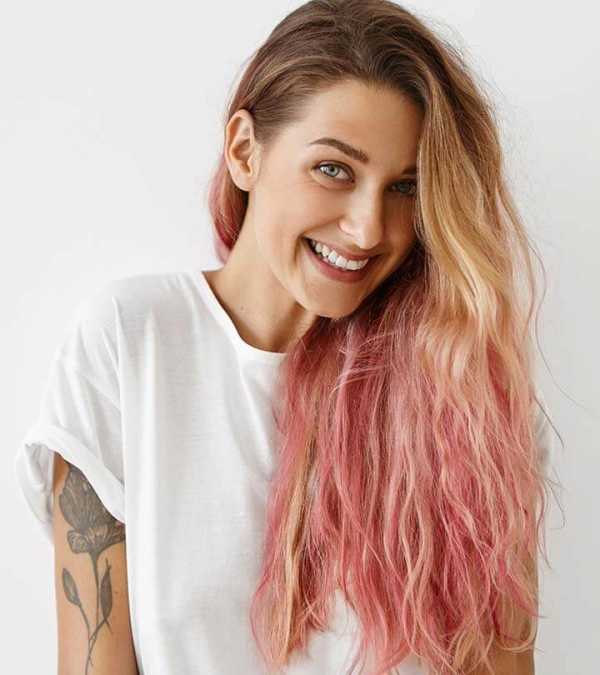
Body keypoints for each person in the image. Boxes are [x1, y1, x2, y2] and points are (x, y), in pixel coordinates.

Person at [15, 1, 558, 674]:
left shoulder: (465, 391)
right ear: (245, 151)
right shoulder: (131, 343)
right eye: (334, 169)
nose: (368, 228)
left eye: (404, 188)